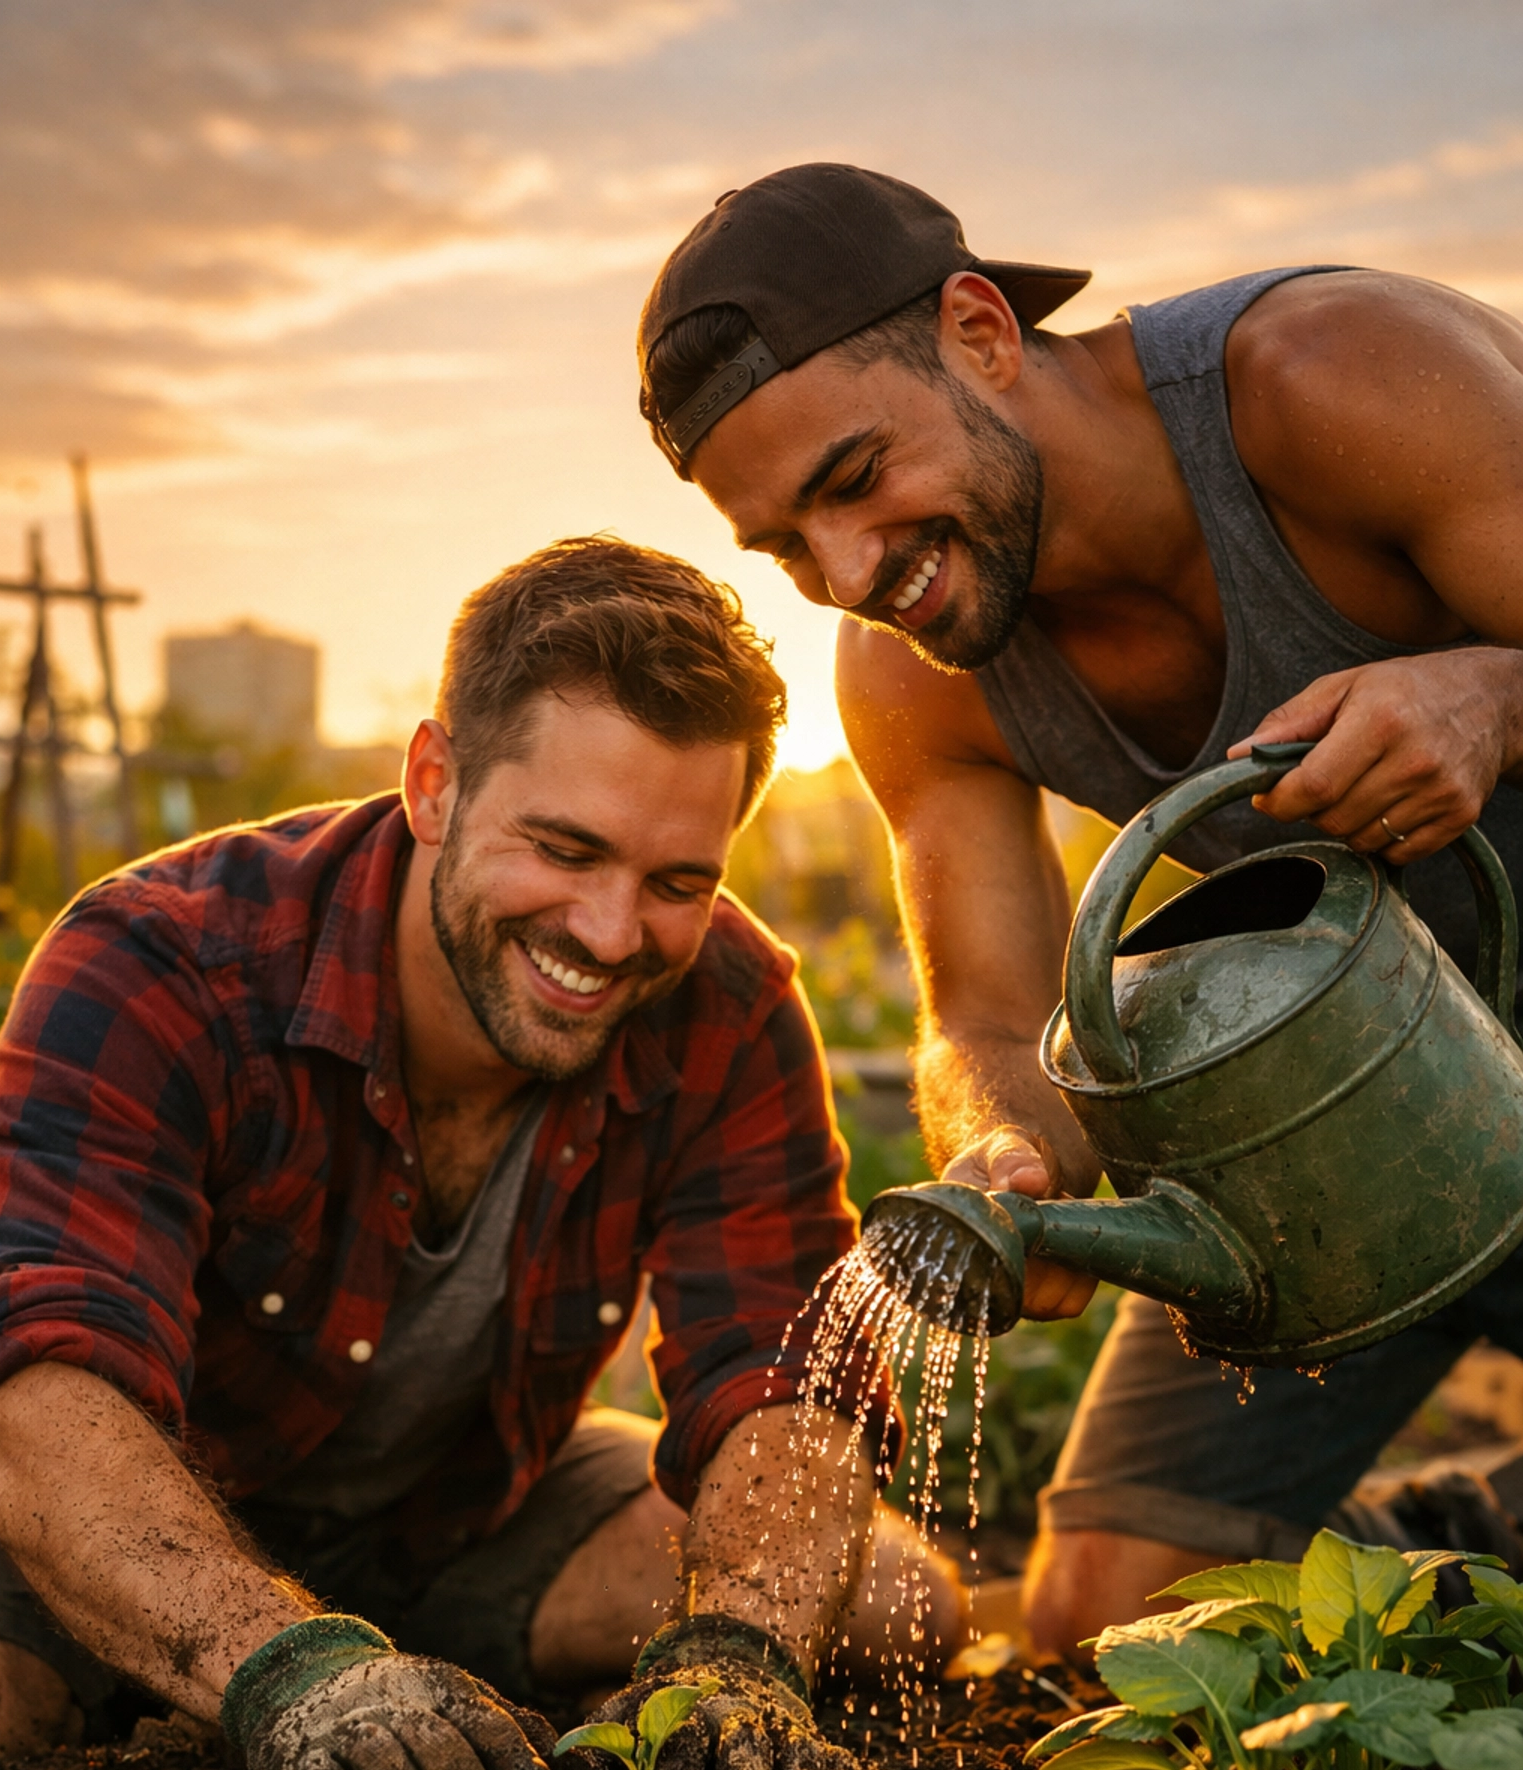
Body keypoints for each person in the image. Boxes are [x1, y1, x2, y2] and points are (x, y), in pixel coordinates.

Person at [636, 163, 1523, 1655]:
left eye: (854, 478)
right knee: (1115, 1630)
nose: (848, 572)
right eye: (786, 543)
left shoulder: (1331, 379)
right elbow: (979, 1012)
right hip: (1328, 1098)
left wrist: (1492, 692)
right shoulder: (913, 675)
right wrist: (1002, 1146)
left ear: (982, 331)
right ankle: (1480, 1537)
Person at [0, 535, 964, 1770]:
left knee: (893, 1598)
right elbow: (41, 1386)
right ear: (435, 783)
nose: (614, 934)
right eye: (566, 849)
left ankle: (416, 1676)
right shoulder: (163, 964)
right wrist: (286, 1669)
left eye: (677, 881)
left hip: (450, 1509)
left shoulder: (725, 1003)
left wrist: (737, 1651)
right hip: (138, 1508)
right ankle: (242, 1671)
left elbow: (786, 1372)